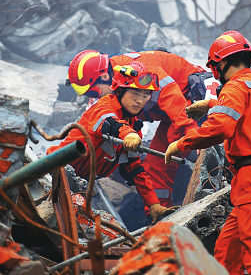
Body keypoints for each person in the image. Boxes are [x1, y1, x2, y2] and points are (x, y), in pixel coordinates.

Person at [165, 30, 251, 274]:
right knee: (225, 257)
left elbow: (219, 128)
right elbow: (244, 108)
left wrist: (180, 144)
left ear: (220, 63)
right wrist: (210, 104)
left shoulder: (234, 87)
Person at [66, 49, 220, 208]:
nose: (92, 96)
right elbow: (94, 124)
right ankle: (160, 215)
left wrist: (195, 136)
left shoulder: (142, 72)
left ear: (105, 77)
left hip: (194, 102)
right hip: (174, 112)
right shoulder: (111, 84)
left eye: (91, 90)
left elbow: (177, 106)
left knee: (190, 149)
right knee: (154, 167)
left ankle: (220, 192)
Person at [48, 61, 175, 224]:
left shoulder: (134, 126)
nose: (139, 100)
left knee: (111, 229)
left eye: (145, 96)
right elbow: (108, 121)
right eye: (135, 93)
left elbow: (134, 168)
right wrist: (127, 134)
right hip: (54, 171)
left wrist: (153, 204)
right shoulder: (104, 105)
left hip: (84, 182)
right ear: (121, 90)